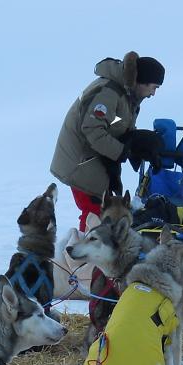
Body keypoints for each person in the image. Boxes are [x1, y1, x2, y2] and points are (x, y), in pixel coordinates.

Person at [51, 51, 166, 332]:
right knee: (96, 221)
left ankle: (84, 271)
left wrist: (132, 142)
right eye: (153, 87)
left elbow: (116, 128)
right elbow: (92, 129)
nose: (153, 94)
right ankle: (88, 279)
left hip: (92, 165)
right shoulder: (109, 91)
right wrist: (123, 150)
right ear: (142, 81)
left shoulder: (125, 94)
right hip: (81, 166)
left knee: (94, 219)